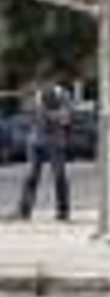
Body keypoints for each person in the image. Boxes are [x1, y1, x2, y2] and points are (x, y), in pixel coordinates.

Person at [14, 71, 72, 222]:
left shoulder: (63, 95)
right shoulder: (36, 95)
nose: (44, 84)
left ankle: (63, 211)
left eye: (47, 81)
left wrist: (48, 114)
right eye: (42, 82)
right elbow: (27, 112)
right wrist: (36, 110)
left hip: (55, 141)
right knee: (31, 175)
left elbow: (66, 118)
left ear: (53, 81)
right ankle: (24, 210)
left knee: (59, 175)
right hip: (35, 141)